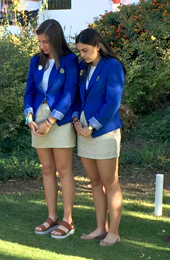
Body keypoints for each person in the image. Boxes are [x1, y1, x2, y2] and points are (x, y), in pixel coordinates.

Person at [23, 19, 78, 239]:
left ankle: (68, 219)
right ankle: (51, 216)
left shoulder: (70, 60)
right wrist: (28, 117)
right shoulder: (35, 61)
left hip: (60, 121)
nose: (43, 46)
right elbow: (29, 92)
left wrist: (51, 122)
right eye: (40, 42)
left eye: (46, 41)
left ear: (55, 38)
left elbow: (69, 94)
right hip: (38, 120)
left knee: (64, 170)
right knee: (46, 170)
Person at [74, 28, 125, 247]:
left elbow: (112, 102)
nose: (82, 55)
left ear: (97, 46)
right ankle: (100, 228)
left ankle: (113, 232)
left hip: (104, 132)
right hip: (83, 132)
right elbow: (78, 97)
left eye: (85, 50)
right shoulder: (83, 68)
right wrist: (77, 121)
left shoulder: (112, 66)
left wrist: (92, 127)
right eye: (80, 51)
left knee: (110, 183)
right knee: (94, 183)